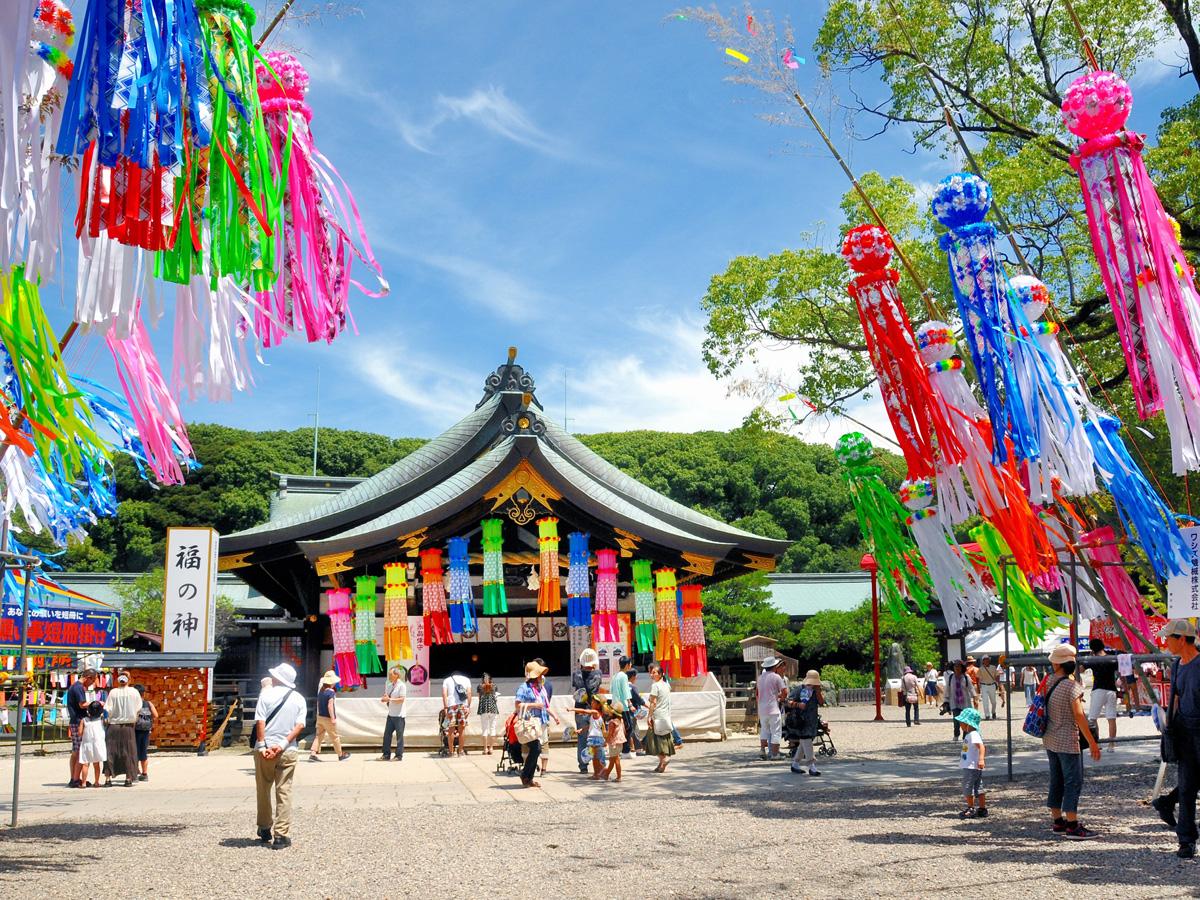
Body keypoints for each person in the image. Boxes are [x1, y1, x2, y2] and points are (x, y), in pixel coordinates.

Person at [1043, 643, 1102, 840]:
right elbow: (1079, 715)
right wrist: (1092, 742)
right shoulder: (1072, 687)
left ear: (1057, 664)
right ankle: (1072, 825)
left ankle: (1058, 821)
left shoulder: (1048, 681)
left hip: (1050, 737)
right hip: (1068, 740)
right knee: (1072, 781)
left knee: (1056, 779)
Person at [254, 662, 308, 849]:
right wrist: (282, 744)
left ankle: (264, 827)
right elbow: (300, 725)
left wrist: (262, 746)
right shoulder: (299, 698)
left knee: (263, 789)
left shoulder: (265, 695)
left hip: (265, 748)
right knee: (284, 791)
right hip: (288, 749)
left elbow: (260, 721)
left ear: (277, 678)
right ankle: (281, 835)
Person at [1162, 618, 1200, 858]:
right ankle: (1186, 839)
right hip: (1184, 734)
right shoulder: (1177, 665)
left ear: (1183, 639)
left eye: (1169, 638)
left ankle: (1165, 803)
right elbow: (1175, 697)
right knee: (1186, 788)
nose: (1165, 642)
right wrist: (1169, 728)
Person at [514, 661, 551, 788]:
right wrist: (534, 705)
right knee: (536, 748)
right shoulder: (523, 688)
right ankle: (525, 775)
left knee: (537, 749)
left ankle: (528, 778)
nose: (541, 677)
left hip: (538, 723)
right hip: (528, 724)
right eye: (539, 674)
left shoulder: (539, 687)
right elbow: (517, 705)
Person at [103, 671, 141, 787]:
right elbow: (138, 708)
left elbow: (107, 709)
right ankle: (128, 778)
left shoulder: (113, 692)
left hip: (113, 726)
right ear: (128, 680)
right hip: (128, 727)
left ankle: (108, 779)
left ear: (118, 681)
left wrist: (106, 720)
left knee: (110, 752)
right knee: (128, 752)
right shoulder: (134, 692)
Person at [571, 648, 603, 773]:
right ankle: (598, 764)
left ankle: (583, 766)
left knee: (582, 739)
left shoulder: (576, 674)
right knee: (596, 738)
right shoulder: (598, 674)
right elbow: (592, 688)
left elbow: (578, 687)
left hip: (580, 709)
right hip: (594, 710)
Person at [1085, 638, 1119, 752]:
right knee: (1111, 718)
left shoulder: (1093, 659)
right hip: (1111, 690)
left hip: (1098, 689)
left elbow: (1080, 668)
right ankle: (1111, 745)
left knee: (1092, 719)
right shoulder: (1111, 658)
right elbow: (1120, 673)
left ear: (1092, 649)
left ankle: (1095, 743)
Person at [788, 669, 824, 776]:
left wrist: (818, 692)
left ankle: (795, 763)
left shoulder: (816, 691)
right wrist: (798, 705)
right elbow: (788, 702)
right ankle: (811, 766)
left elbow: (821, 703)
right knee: (807, 741)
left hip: (812, 721)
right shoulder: (799, 689)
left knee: (804, 743)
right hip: (801, 721)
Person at [310, 670, 350, 762]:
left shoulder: (321, 690)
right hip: (328, 718)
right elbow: (330, 705)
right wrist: (333, 718)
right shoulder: (331, 692)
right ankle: (340, 755)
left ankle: (313, 754)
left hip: (320, 717)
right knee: (334, 736)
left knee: (318, 736)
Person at [955, 707, 987, 818]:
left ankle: (971, 808)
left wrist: (981, 759)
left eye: (962, 723)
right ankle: (982, 808)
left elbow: (981, 747)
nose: (960, 725)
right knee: (978, 787)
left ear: (968, 723)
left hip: (971, 767)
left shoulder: (973, 734)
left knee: (967, 786)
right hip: (974, 766)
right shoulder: (971, 735)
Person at [66, 669, 96, 788]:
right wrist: (96, 703)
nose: (92, 683)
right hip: (78, 721)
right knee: (79, 751)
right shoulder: (78, 687)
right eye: (93, 680)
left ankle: (74, 777)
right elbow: (82, 704)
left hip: (75, 721)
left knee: (75, 751)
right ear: (88, 677)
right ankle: (76, 779)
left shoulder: (75, 686)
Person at [756, 656, 788, 760]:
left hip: (762, 708)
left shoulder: (760, 678)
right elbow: (784, 691)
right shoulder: (776, 677)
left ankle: (762, 750)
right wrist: (782, 698)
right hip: (773, 708)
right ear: (774, 666)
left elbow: (758, 693)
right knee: (776, 731)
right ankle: (775, 754)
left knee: (764, 730)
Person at [645, 664, 675, 773]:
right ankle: (661, 765)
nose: (652, 674)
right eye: (651, 672)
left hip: (657, 715)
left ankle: (664, 759)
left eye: (654, 672)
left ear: (661, 674)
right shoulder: (667, 685)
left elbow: (653, 703)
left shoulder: (655, 686)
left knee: (654, 740)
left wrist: (649, 716)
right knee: (664, 739)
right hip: (665, 715)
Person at [944, 660, 978, 741]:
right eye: (955, 666)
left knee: (965, 720)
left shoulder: (966, 677)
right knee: (956, 719)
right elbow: (947, 689)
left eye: (959, 666)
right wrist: (946, 701)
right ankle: (956, 734)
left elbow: (971, 688)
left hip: (965, 703)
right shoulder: (950, 677)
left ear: (962, 668)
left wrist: (975, 698)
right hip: (954, 702)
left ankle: (965, 736)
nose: (957, 668)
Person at [442, 670, 472, 757]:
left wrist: (445, 707)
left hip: (452, 706)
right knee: (461, 730)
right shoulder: (466, 679)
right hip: (463, 706)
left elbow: (444, 694)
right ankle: (461, 751)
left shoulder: (447, 680)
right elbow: (469, 693)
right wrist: (468, 707)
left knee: (451, 730)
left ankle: (451, 752)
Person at [380, 666, 407, 761]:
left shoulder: (402, 686)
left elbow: (402, 699)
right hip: (391, 714)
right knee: (387, 735)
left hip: (399, 715)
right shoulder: (389, 685)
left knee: (399, 736)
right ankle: (386, 754)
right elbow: (386, 696)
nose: (389, 676)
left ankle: (399, 755)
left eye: (391, 674)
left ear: (397, 675)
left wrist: (389, 699)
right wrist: (384, 698)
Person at [78, 700, 107, 788]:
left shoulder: (84, 720)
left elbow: (80, 733)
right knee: (96, 764)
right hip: (98, 744)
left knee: (85, 764)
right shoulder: (101, 720)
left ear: (88, 710)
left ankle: (83, 783)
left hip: (86, 744)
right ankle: (97, 782)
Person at [133, 683, 158, 782]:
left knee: (134, 752)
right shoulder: (148, 704)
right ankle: (144, 773)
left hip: (135, 730)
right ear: (143, 694)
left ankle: (134, 773)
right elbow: (156, 715)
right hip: (146, 731)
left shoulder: (134, 704)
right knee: (143, 752)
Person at [610, 656, 634, 757]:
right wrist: (630, 704)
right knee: (628, 727)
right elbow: (626, 691)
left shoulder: (615, 676)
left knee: (617, 728)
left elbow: (611, 690)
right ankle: (625, 751)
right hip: (623, 706)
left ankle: (617, 749)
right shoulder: (623, 676)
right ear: (627, 665)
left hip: (615, 705)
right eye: (630, 664)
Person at [476, 673, 498, 756]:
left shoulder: (480, 686)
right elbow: (496, 697)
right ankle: (491, 748)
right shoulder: (494, 686)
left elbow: (479, 698)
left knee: (484, 729)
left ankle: (485, 749)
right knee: (493, 728)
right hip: (493, 708)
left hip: (483, 708)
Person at [603, 702, 625, 782]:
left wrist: (605, 742)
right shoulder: (621, 720)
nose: (608, 711)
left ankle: (618, 777)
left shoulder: (612, 722)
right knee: (613, 760)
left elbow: (610, 734)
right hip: (620, 743)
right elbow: (624, 731)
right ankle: (606, 775)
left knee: (615, 760)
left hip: (614, 743)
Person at [628, 671, 648, 755]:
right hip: (633, 711)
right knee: (634, 730)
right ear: (633, 676)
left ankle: (633, 747)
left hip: (626, 710)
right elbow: (639, 699)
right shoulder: (633, 687)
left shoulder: (624, 686)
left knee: (632, 729)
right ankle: (638, 748)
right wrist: (648, 706)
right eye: (636, 676)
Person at [977, 655, 999, 720]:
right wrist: (978, 687)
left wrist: (998, 683)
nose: (986, 660)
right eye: (985, 659)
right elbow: (978, 678)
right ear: (983, 661)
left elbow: (997, 675)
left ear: (989, 660)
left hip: (992, 685)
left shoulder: (993, 667)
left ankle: (993, 712)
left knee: (994, 702)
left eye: (987, 659)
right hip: (984, 686)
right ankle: (987, 715)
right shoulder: (980, 669)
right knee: (985, 701)